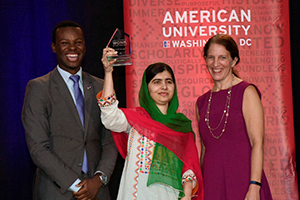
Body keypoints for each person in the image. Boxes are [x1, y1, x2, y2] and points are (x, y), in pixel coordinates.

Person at [21, 20, 118, 200]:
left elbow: (111, 140)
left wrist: (99, 179)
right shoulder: (39, 88)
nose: (72, 48)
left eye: (78, 42)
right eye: (65, 43)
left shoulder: (102, 86)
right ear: (54, 47)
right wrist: (76, 185)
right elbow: (38, 148)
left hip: (97, 191)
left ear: (85, 46)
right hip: (57, 191)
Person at [97, 48, 204, 200]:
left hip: (170, 195)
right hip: (136, 194)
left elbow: (189, 167)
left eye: (169, 82)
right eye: (156, 82)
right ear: (146, 88)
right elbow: (110, 117)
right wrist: (108, 72)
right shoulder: (135, 119)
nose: (164, 87)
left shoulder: (181, 126)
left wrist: (186, 195)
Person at [196, 34, 273, 200]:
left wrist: (255, 186)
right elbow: (204, 149)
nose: (216, 64)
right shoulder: (201, 102)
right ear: (206, 60)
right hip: (212, 184)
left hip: (243, 181)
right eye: (211, 57)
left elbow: (257, 143)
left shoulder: (247, 92)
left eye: (223, 57)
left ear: (234, 61)